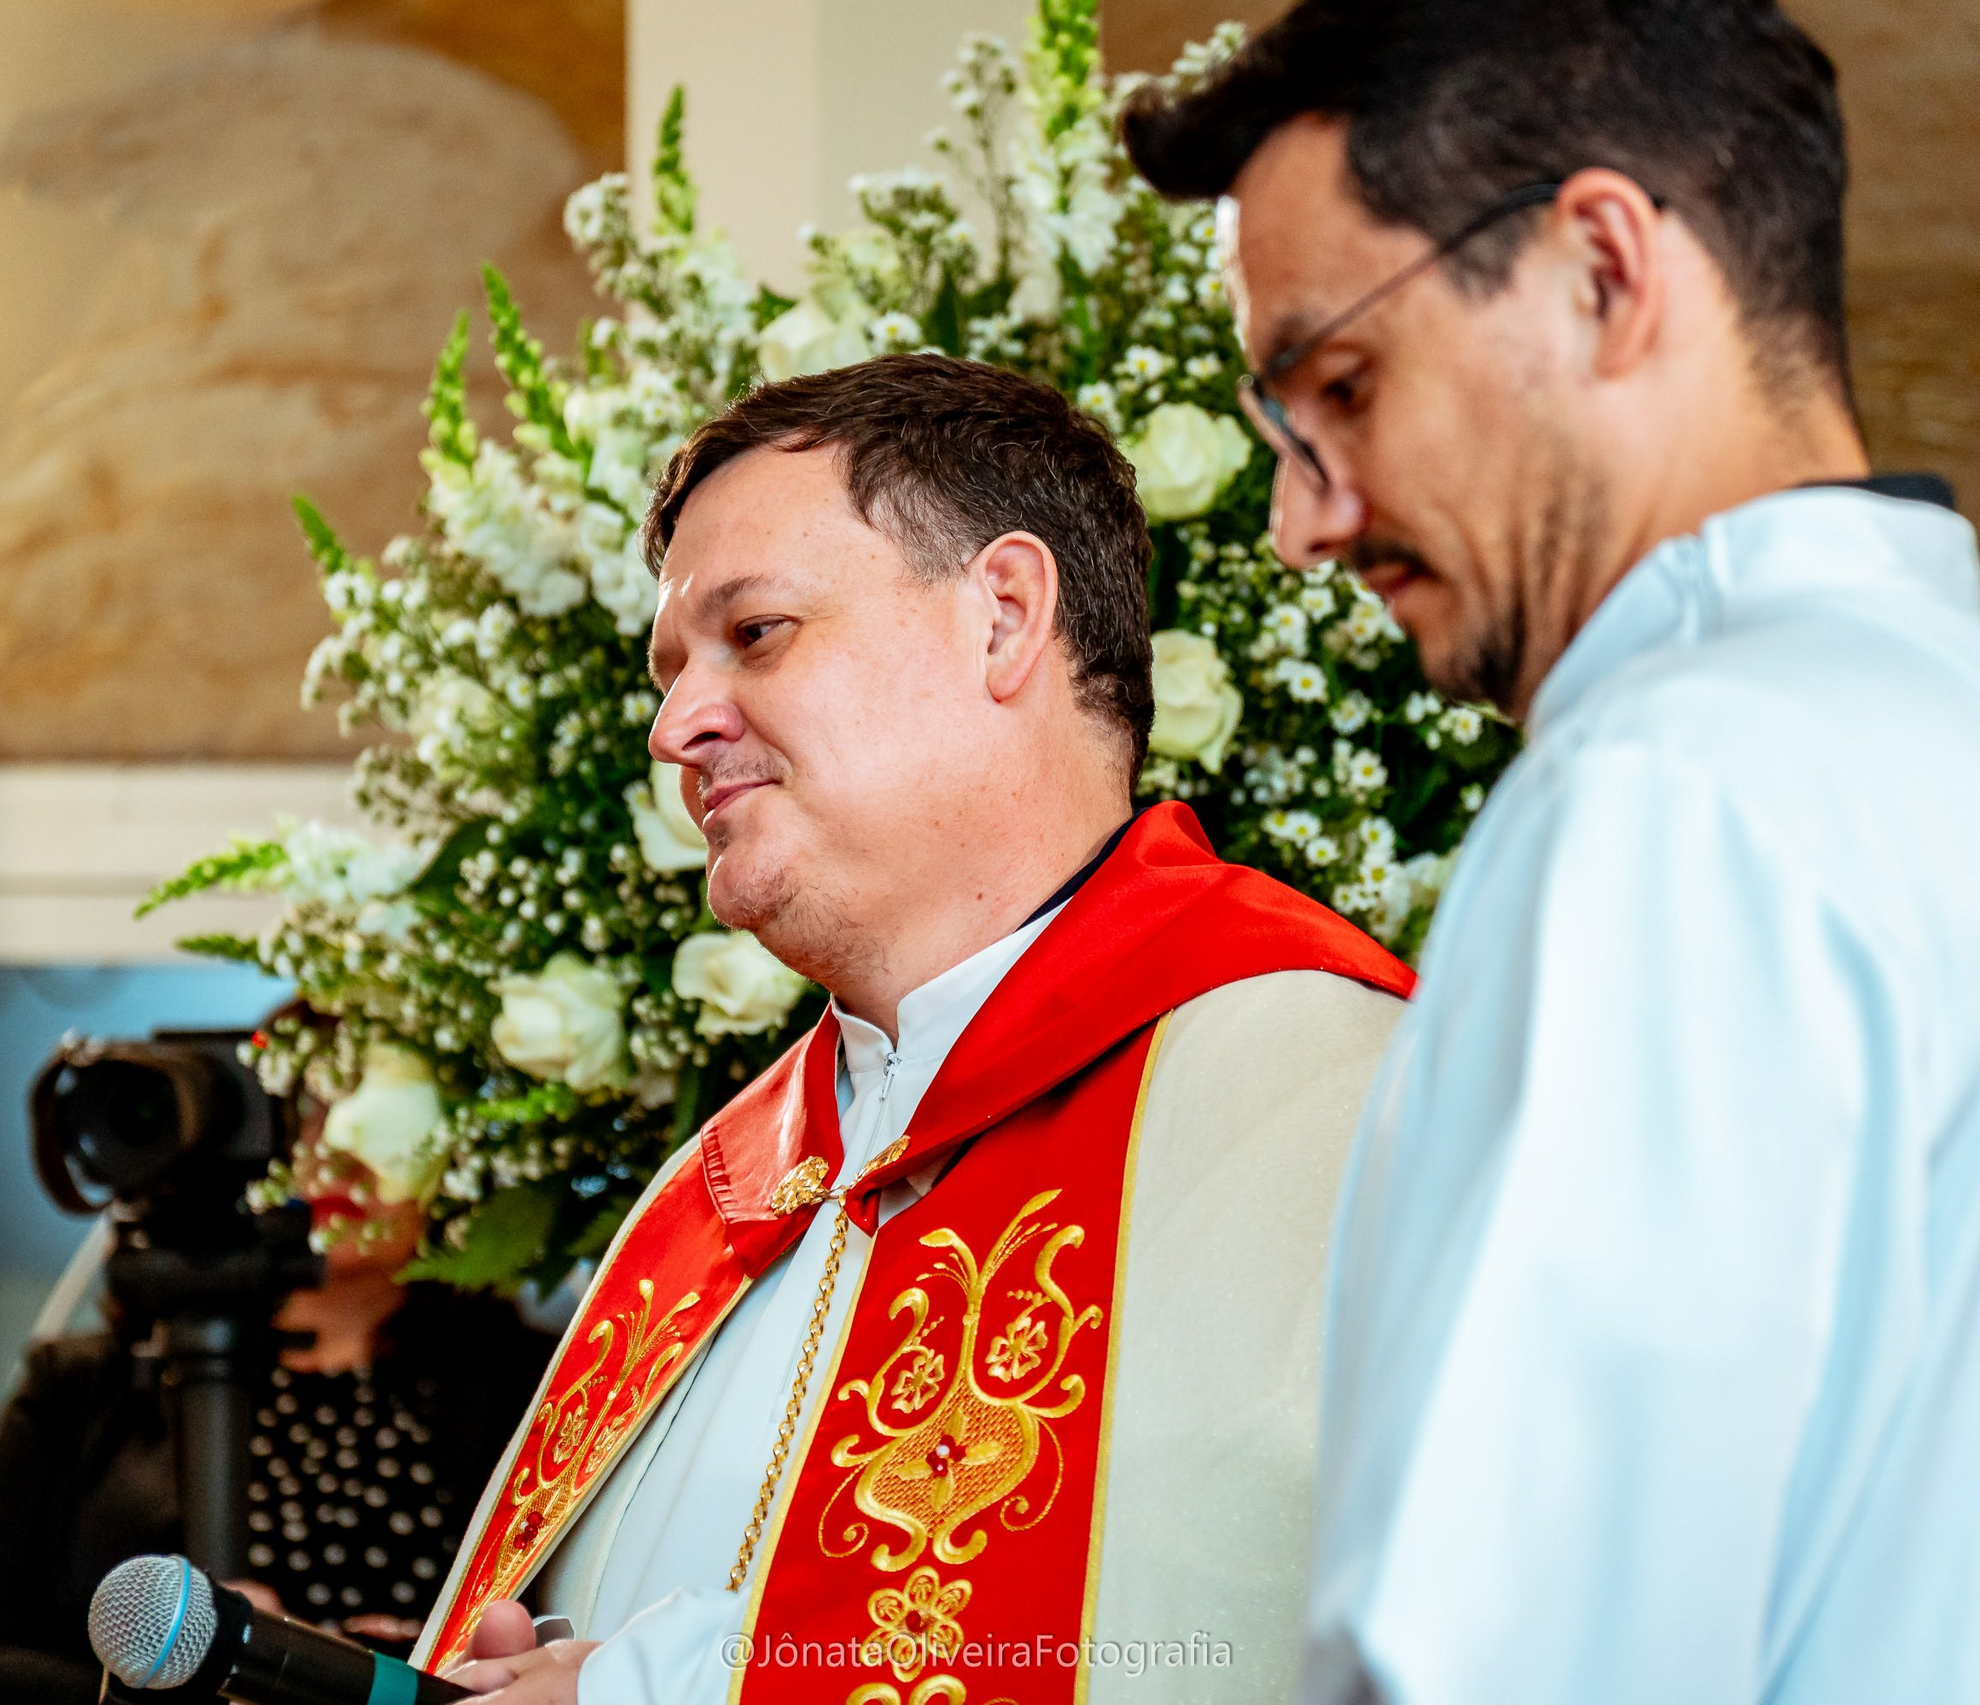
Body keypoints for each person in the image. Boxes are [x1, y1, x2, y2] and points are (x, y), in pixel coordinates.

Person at [1120, 1, 1980, 1702]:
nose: (1305, 520)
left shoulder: (1676, 792)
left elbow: (1500, 1657)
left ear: (1603, 268)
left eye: (1339, 386)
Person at [419, 354, 1417, 1705]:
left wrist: (675, 1688)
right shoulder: (714, 1195)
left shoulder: (1304, 1081)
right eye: (669, 670)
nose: (675, 725)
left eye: (756, 631)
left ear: (1002, 615)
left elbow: (1240, 1637)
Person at [0, 1147, 553, 1705]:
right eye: (297, 1123)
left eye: (370, 1127)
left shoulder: (540, 1382)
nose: (333, 1158)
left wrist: (369, 1665)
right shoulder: (85, 1383)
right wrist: (183, 1676)